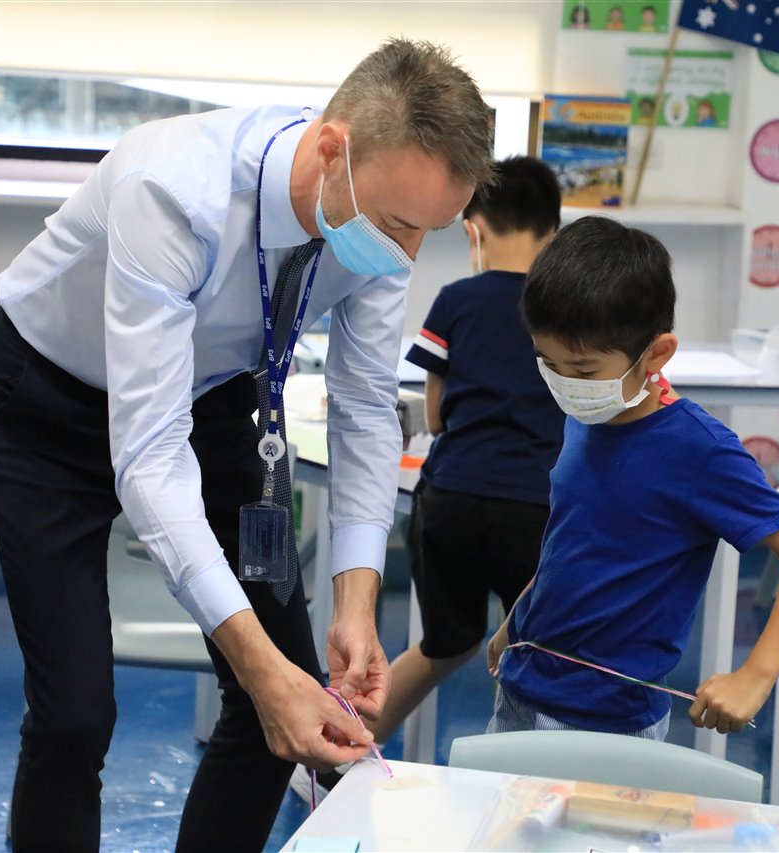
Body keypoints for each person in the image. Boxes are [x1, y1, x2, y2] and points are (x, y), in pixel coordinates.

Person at [0, 38, 494, 852]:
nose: (408, 255)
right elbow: (149, 457)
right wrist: (255, 661)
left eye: (432, 231)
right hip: (44, 400)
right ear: (332, 150)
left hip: (211, 394)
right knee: (75, 715)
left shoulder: (382, 219)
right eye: (398, 225)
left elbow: (362, 407)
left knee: (291, 697)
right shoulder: (173, 189)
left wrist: (356, 603)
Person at [485, 217, 779, 740]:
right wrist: (516, 620)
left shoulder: (698, 450)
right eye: (548, 363)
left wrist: (755, 675)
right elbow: (572, 540)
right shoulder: (585, 416)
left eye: (583, 371)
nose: (564, 384)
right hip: (521, 685)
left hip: (610, 724)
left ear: (657, 353)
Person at [296, 156, 567, 802]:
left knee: (445, 641)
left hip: (450, 500)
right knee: (541, 650)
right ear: (554, 237)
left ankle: (335, 757)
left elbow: (438, 414)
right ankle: (537, 789)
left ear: (473, 230)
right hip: (536, 509)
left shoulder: (457, 301)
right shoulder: (563, 310)